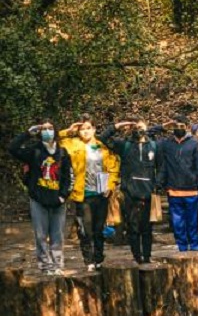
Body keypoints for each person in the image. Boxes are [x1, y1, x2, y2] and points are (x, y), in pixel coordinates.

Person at [9, 120, 73, 275]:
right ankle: (46, 266)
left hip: (58, 201)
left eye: (50, 128)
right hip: (38, 199)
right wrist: (27, 133)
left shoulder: (63, 153)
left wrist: (63, 196)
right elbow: (13, 149)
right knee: (41, 235)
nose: (48, 131)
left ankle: (57, 265)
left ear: (55, 131)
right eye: (44, 129)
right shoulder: (34, 151)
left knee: (57, 235)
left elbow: (69, 177)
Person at [59, 114, 120, 271]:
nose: (85, 132)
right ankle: (89, 260)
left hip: (101, 193)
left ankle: (99, 258)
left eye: (88, 128)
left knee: (99, 229)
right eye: (82, 129)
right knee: (86, 230)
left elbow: (113, 168)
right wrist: (69, 130)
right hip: (82, 195)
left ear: (94, 129)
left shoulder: (103, 145)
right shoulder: (72, 144)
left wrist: (111, 185)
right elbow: (54, 141)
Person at [99, 117, 159, 264]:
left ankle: (147, 257)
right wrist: (119, 125)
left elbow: (162, 167)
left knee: (147, 229)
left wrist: (158, 185)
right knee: (133, 228)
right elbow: (103, 138)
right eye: (136, 127)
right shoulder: (124, 145)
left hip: (148, 192)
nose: (139, 130)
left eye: (141, 127)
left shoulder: (154, 146)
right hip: (130, 193)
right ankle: (137, 257)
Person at [156, 115, 198, 252]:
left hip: (192, 191)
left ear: (187, 127)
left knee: (193, 224)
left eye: (182, 126)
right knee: (178, 225)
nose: (179, 129)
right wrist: (164, 126)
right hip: (173, 191)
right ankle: (182, 250)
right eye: (176, 126)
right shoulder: (166, 144)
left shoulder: (194, 143)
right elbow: (148, 134)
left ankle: (195, 250)